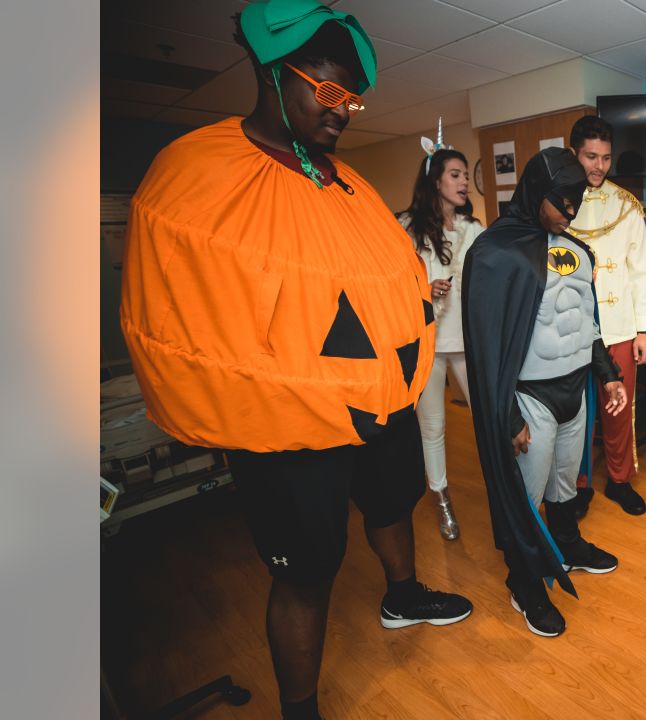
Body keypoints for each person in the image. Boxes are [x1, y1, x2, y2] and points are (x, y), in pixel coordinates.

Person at [118, 4, 472, 718]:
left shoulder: (351, 188)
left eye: (353, 97)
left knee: (391, 503)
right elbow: (177, 315)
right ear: (271, 72)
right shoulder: (197, 175)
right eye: (329, 91)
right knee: (307, 570)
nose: (344, 109)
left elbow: (394, 283)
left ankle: (402, 594)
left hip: (380, 400)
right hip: (283, 425)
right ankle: (300, 707)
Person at [462, 147, 628, 638]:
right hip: (530, 395)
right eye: (563, 201)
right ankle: (523, 580)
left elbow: (587, 323)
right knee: (526, 494)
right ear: (536, 193)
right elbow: (488, 347)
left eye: (578, 201)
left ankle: (568, 545)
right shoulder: (495, 254)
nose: (571, 211)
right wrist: (506, 414)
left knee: (563, 485)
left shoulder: (576, 249)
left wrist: (609, 373)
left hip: (575, 390)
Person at [566, 115, 646, 517]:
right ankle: (577, 483)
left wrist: (644, 330)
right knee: (575, 411)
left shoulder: (627, 206)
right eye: (590, 156)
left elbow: (642, 271)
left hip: (620, 327)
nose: (598, 166)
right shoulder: (557, 202)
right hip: (571, 327)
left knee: (619, 409)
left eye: (605, 157)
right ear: (574, 154)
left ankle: (619, 480)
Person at [398, 143, 482, 540]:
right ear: (435, 180)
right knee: (433, 428)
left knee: (489, 420)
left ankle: (507, 489)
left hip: (468, 341)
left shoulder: (474, 228)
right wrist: (424, 290)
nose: (464, 181)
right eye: (455, 174)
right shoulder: (406, 228)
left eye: (466, 175)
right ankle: (442, 499)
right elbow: (391, 287)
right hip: (427, 341)